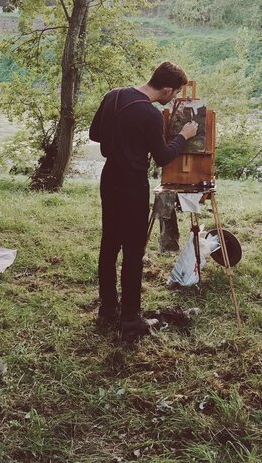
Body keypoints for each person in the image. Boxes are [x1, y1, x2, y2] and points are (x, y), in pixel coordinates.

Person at [89, 61, 198, 336]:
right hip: (132, 185)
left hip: (109, 179)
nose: (173, 99)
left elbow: (94, 134)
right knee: (133, 252)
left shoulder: (113, 95)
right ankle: (130, 319)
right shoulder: (149, 114)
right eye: (173, 94)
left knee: (109, 244)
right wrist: (184, 136)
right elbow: (162, 157)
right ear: (165, 89)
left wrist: (121, 141)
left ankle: (108, 308)